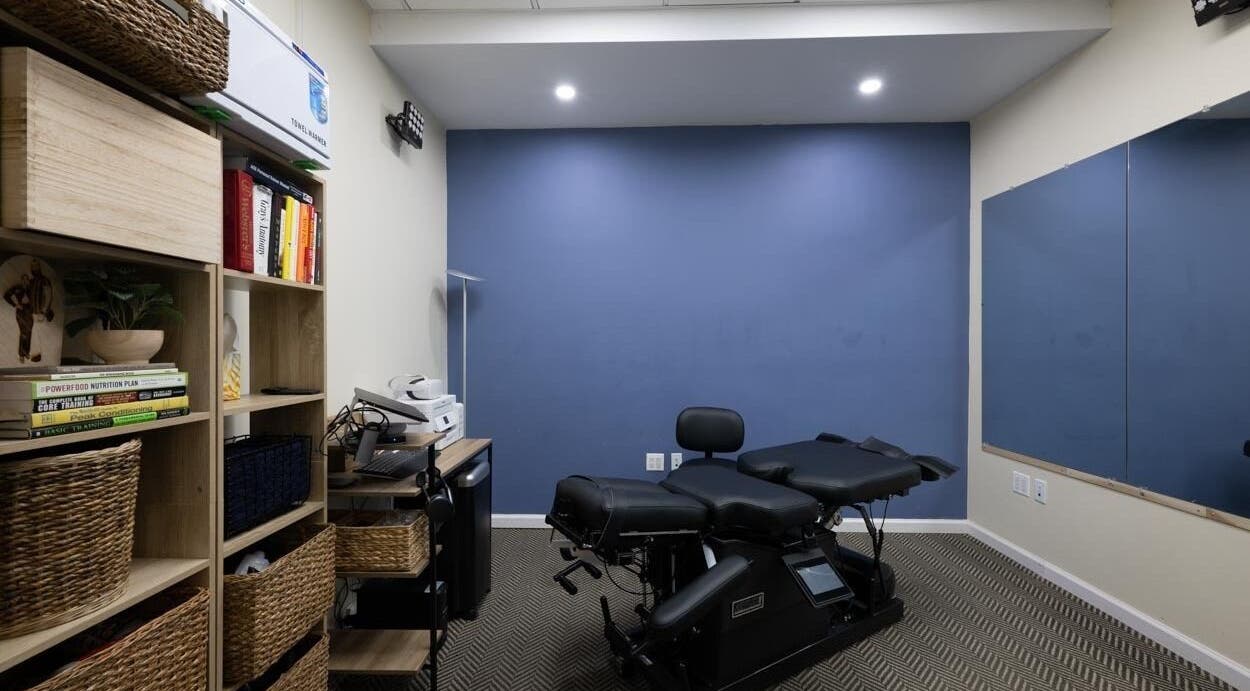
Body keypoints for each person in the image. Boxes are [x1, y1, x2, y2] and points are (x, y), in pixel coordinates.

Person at [4, 260, 55, 363]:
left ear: (28, 280)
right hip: (21, 312)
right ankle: (21, 354)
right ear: (21, 280)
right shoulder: (17, 288)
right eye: (23, 279)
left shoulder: (32, 287)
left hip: (30, 312)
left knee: (29, 332)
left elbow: (44, 295)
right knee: (24, 332)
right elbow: (6, 296)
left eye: (27, 279)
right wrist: (15, 305)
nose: (25, 281)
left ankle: (25, 353)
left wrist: (43, 310)